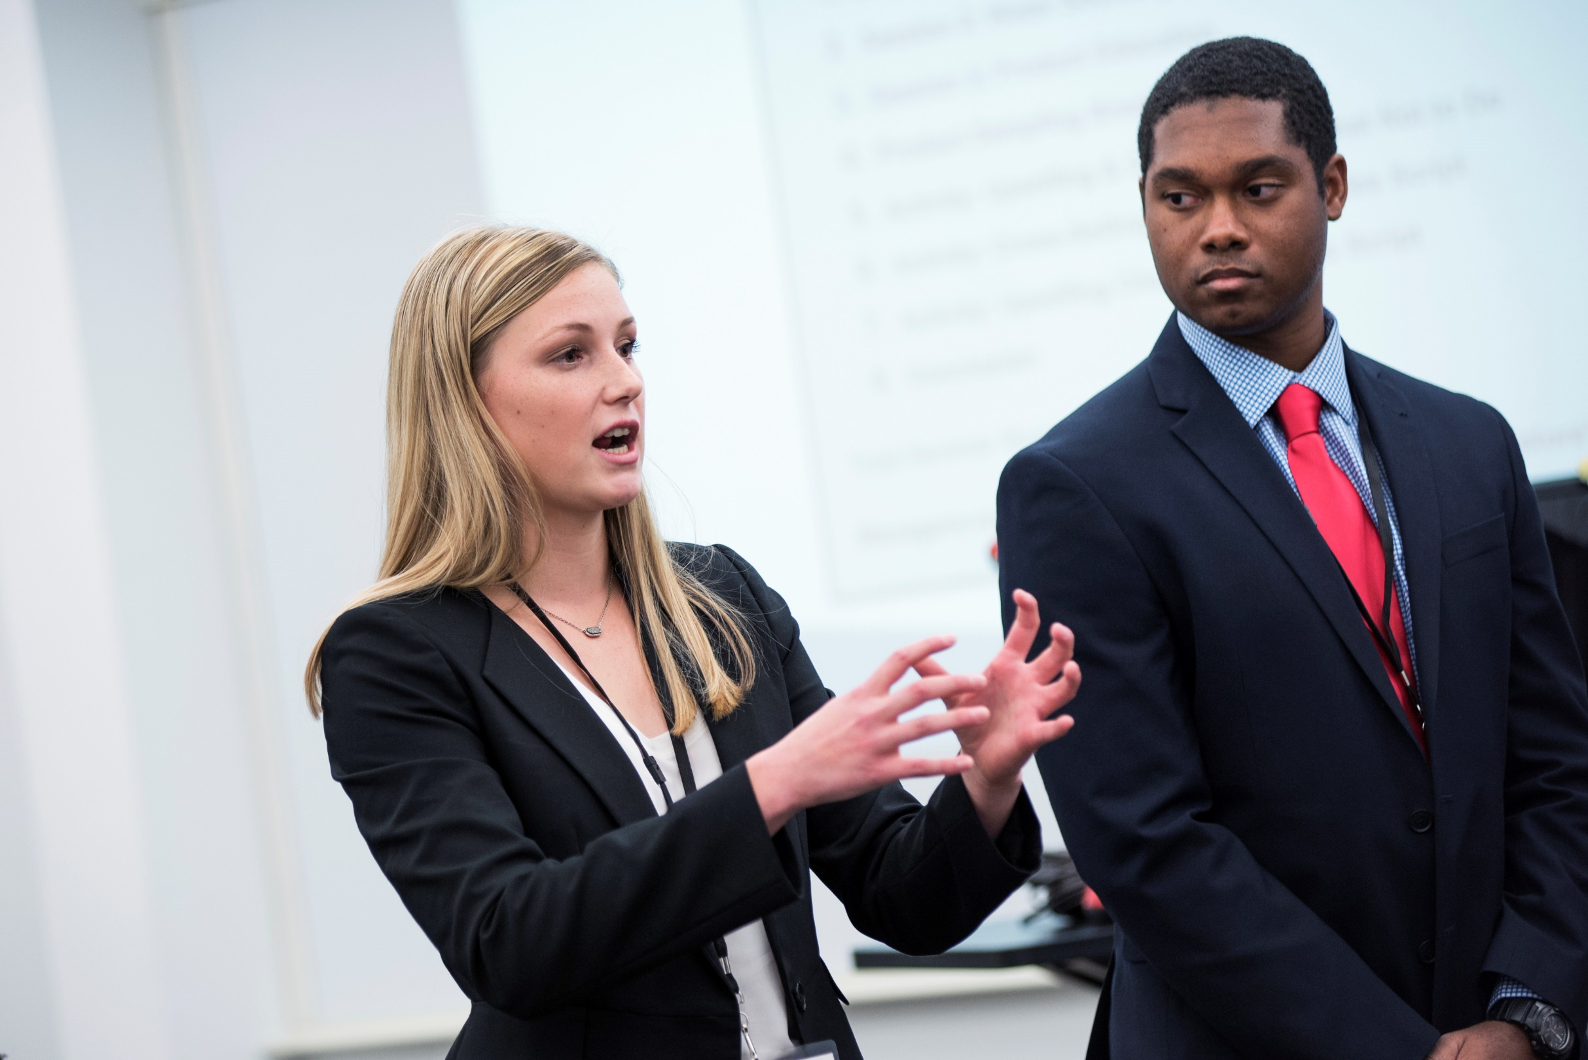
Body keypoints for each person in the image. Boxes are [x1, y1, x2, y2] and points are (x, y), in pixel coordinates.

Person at [307, 226, 1082, 1060]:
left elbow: (908, 902)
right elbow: (510, 942)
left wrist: (989, 782)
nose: (625, 382)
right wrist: (770, 786)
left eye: (629, 346)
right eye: (571, 356)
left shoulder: (723, 600)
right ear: (465, 399)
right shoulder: (395, 653)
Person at [997, 37, 1588, 1060]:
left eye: (1257, 187)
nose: (1217, 228)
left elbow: (1553, 764)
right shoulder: (1076, 485)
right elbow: (1145, 843)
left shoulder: (1468, 442)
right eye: (1178, 198)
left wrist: (1523, 1010)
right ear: (1142, 202)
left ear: (1333, 186)